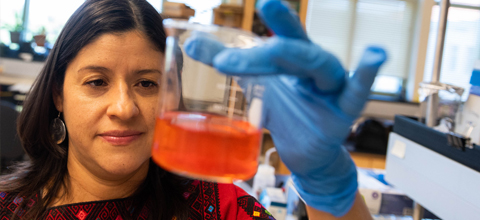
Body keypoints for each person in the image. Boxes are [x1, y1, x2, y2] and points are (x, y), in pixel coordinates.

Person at [0, 0, 386, 219]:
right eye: (97, 82)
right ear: (58, 96)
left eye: (147, 84)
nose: (124, 107)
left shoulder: (221, 209)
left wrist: (327, 185)